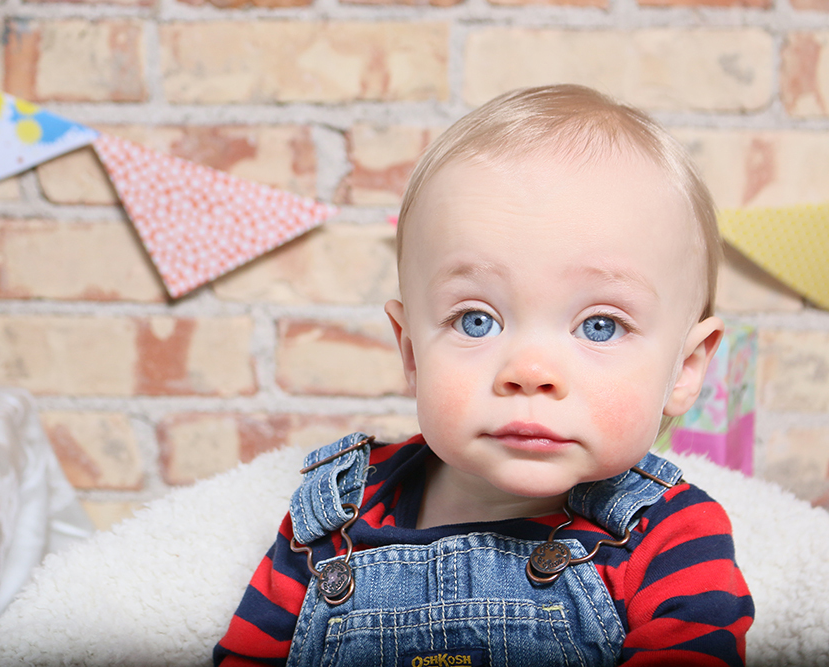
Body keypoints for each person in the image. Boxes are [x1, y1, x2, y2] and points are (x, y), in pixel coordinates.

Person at [214, 84, 753, 666]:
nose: (530, 373)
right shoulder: (332, 516)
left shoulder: (670, 538)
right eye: (476, 321)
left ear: (686, 367)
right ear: (412, 352)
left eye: (600, 326)